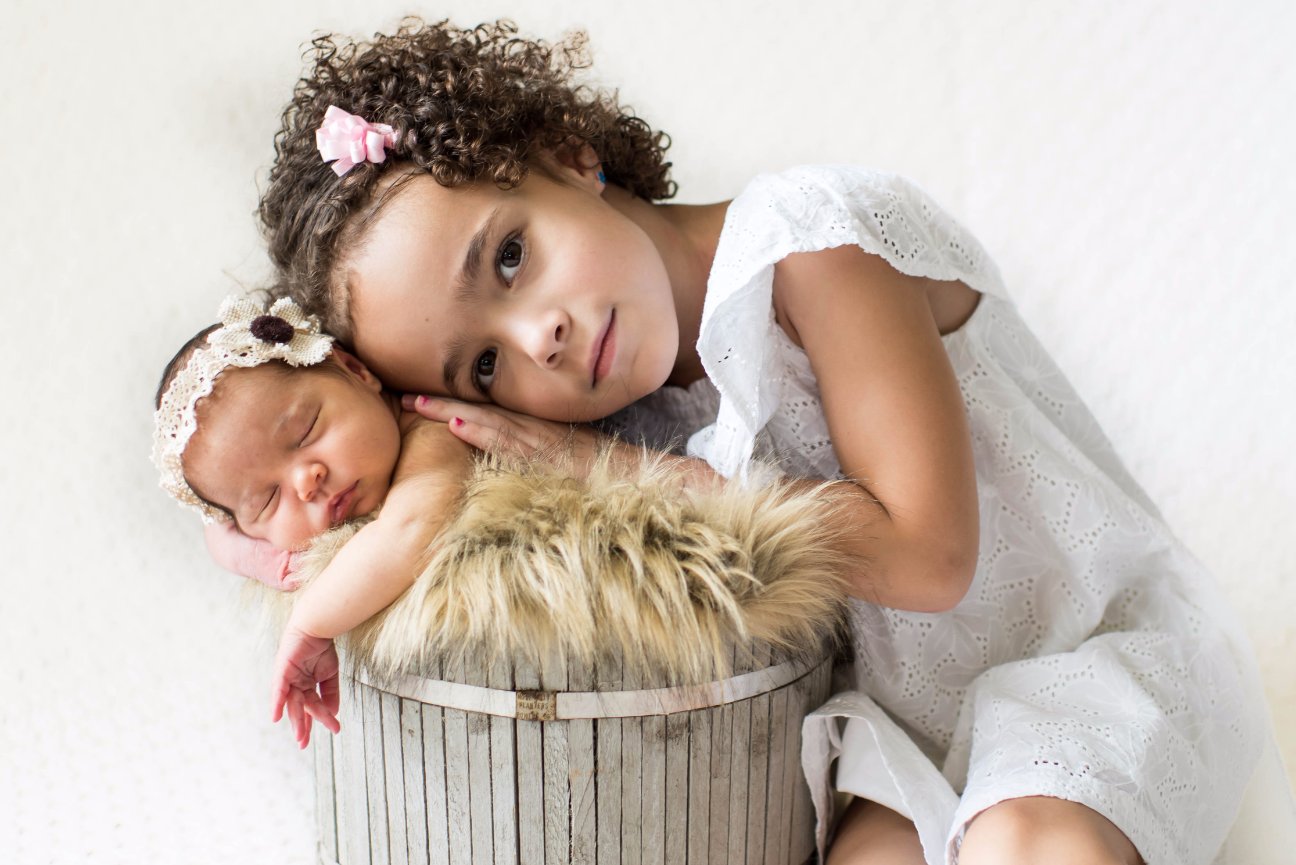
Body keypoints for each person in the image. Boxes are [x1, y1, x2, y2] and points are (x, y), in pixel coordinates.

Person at [246, 18, 1266, 865]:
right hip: (904, 718)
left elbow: (931, 557)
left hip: (1088, 659)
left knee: (1024, 844)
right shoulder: (602, 406)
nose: (536, 338)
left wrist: (620, 473)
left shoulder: (812, 241)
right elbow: (416, 477)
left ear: (568, 155)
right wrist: (265, 529)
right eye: (481, 366)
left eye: (510, 256)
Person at [151, 295, 481, 748]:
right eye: (268, 499)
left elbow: (409, 532)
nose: (307, 482)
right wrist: (267, 563)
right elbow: (216, 533)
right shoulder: (252, 513)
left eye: (306, 431)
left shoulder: (431, 431)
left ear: (355, 371)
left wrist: (309, 624)